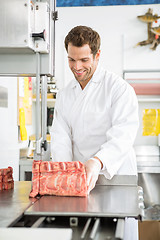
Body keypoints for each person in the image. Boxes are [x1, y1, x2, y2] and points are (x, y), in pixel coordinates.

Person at [50, 25, 139, 240]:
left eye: (84, 60)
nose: (77, 67)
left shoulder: (118, 89)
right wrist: (65, 174)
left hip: (114, 179)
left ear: (97, 55)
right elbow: (61, 138)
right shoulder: (65, 95)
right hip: (80, 185)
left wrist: (97, 161)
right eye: (71, 60)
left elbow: (123, 134)